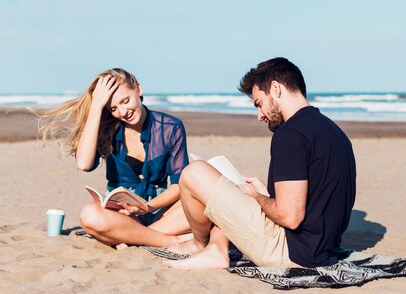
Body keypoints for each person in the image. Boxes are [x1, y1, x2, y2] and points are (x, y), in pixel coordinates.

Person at [164, 57, 356, 270]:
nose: (260, 115)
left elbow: (289, 217)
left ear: (276, 89)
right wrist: (265, 194)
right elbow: (314, 200)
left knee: (194, 172)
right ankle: (212, 247)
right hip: (323, 252)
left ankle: (200, 245)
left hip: (291, 253)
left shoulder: (291, 134)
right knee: (229, 185)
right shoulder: (335, 133)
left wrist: (257, 197)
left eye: (259, 104)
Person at [39, 68, 190, 247]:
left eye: (125, 101)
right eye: (113, 108)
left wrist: (147, 207)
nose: (123, 111)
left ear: (138, 89)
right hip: (122, 213)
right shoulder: (108, 129)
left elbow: (178, 185)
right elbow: (84, 164)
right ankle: (170, 240)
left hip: (161, 209)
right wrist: (96, 107)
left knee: (204, 203)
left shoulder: (170, 127)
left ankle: (133, 237)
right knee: (89, 215)